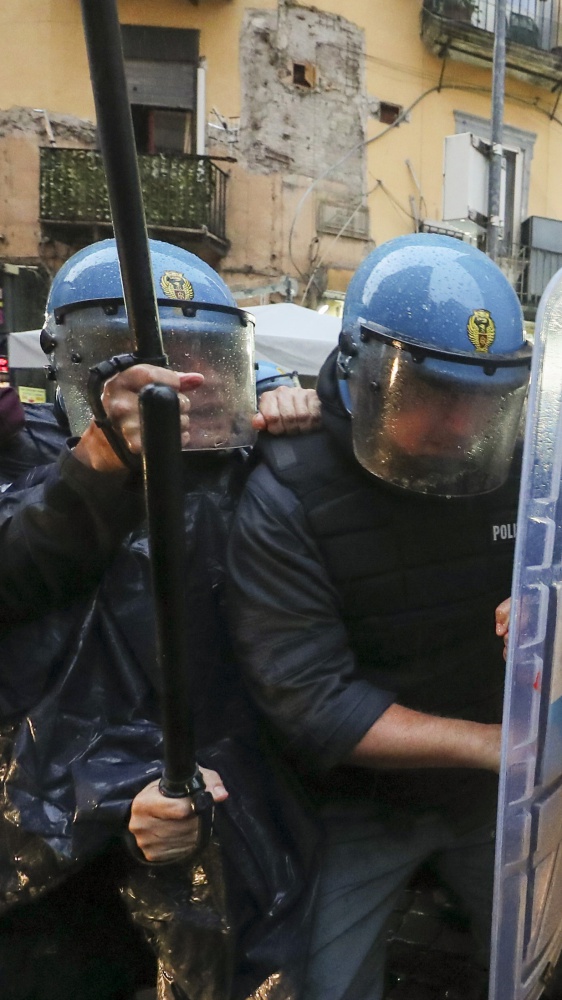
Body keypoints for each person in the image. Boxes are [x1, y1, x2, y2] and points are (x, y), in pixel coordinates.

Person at [0, 238, 320, 1000]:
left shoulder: (247, 474)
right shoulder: (49, 458)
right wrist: (115, 793)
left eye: (204, 359)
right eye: (152, 364)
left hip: (224, 829)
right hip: (61, 872)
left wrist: (285, 393)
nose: (185, 384)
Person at [226, 233, 532, 1000]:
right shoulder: (288, 491)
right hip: (358, 802)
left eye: (484, 400)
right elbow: (313, 704)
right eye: (431, 395)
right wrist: (499, 747)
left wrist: (544, 601)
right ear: (364, 375)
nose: (463, 428)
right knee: (320, 986)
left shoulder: (517, 463)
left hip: (496, 792)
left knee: (540, 959)